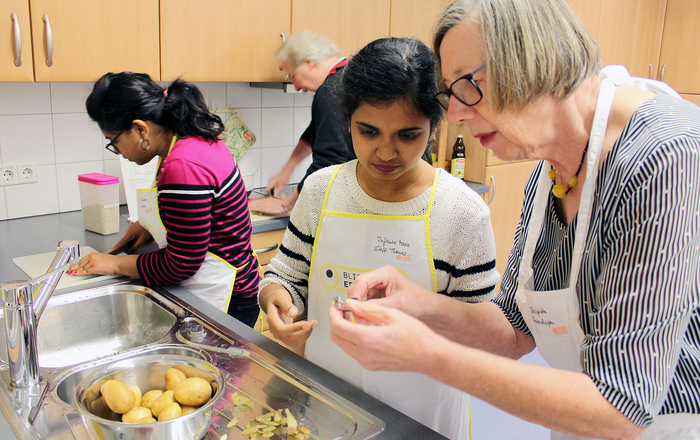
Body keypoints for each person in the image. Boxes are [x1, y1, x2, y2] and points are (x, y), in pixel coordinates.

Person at [329, 1, 700, 439]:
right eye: (452, 93)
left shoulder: (665, 156)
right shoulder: (551, 174)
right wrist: (417, 302)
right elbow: (514, 331)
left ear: (537, 58)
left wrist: (427, 355)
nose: (457, 115)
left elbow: (621, 406)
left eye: (469, 84)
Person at [258, 37, 500, 439]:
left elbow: (483, 331)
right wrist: (277, 302)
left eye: (408, 135)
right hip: (328, 400)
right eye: (368, 131)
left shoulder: (461, 212)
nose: (385, 151)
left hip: (422, 413)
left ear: (434, 127)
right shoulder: (320, 191)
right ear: (347, 120)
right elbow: (284, 275)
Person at [68, 72, 261, 327]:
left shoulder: (182, 165)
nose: (118, 152)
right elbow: (199, 216)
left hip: (223, 299)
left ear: (140, 129)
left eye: (113, 142)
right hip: (234, 288)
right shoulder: (189, 140)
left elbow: (181, 264)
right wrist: (152, 225)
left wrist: (114, 264)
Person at [249, 30, 355, 216]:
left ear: (308, 62)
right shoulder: (350, 76)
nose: (296, 86)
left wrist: (286, 204)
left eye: (292, 75)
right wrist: (287, 170)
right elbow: (316, 131)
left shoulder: (331, 90)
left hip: (348, 204)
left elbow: (328, 163)